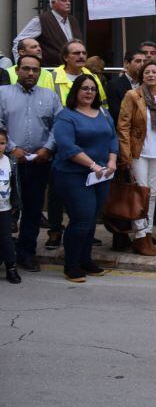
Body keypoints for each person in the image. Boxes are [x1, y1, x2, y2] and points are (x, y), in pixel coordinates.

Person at [51, 73, 117, 282]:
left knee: (90, 221)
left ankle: (86, 260)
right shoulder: (66, 115)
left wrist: (112, 162)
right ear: (76, 91)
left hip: (101, 176)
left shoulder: (104, 113)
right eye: (84, 88)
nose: (89, 92)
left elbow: (113, 138)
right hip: (73, 175)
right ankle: (71, 265)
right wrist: (92, 165)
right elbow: (67, 146)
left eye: (92, 89)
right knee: (81, 219)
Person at [0, 55, 61, 273]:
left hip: (39, 162)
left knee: (33, 210)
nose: (31, 73)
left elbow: (59, 125)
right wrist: (11, 148)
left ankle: (26, 252)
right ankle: (4, 253)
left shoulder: (50, 96)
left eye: (35, 69)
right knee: (5, 208)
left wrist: (48, 148)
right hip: (8, 163)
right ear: (17, 71)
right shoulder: (3, 93)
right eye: (26, 69)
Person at [117, 61, 156, 257]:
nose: (151, 74)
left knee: (153, 194)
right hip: (139, 152)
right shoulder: (133, 95)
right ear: (142, 76)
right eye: (147, 72)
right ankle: (140, 237)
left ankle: (147, 233)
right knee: (140, 193)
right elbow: (123, 126)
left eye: (155, 71)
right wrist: (125, 154)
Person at [12, 0, 83, 67]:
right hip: (51, 70)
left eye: (69, 0)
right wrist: (20, 64)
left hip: (74, 69)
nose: (68, 3)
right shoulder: (42, 19)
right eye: (64, 1)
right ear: (53, 3)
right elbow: (18, 42)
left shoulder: (73, 20)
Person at [106, 50, 145, 123]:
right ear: (126, 63)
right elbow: (117, 113)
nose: (142, 64)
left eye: (144, 61)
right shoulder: (114, 85)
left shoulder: (147, 84)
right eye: (138, 61)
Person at [0, 129, 17, 283]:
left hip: (4, 208)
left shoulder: (10, 162)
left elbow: (15, 185)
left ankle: (11, 268)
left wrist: (15, 204)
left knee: (6, 239)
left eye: (2, 143)